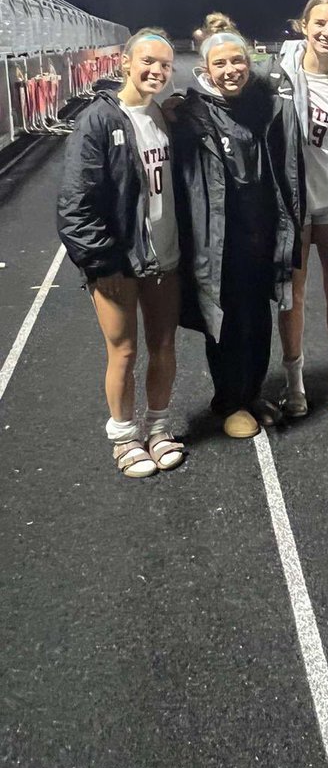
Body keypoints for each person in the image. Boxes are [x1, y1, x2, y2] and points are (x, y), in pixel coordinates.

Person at [57, 28, 184, 478]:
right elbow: (75, 201)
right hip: (118, 260)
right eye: (148, 61)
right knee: (124, 351)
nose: (157, 70)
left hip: (164, 255)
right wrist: (99, 262)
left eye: (165, 65)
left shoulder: (167, 116)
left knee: (164, 344)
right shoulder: (98, 120)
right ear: (126, 63)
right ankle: (124, 436)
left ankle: (159, 427)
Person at [171, 15, 304, 438]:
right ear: (206, 70)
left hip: (262, 233)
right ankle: (229, 400)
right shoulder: (192, 114)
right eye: (220, 64)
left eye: (237, 61)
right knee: (225, 321)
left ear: (249, 62)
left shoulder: (265, 105)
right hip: (218, 239)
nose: (231, 71)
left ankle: (253, 393)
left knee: (258, 318)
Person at [275, 0, 328, 416]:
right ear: (304, 26)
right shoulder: (279, 76)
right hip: (292, 206)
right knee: (292, 295)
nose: (327, 32)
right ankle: (294, 383)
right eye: (319, 24)